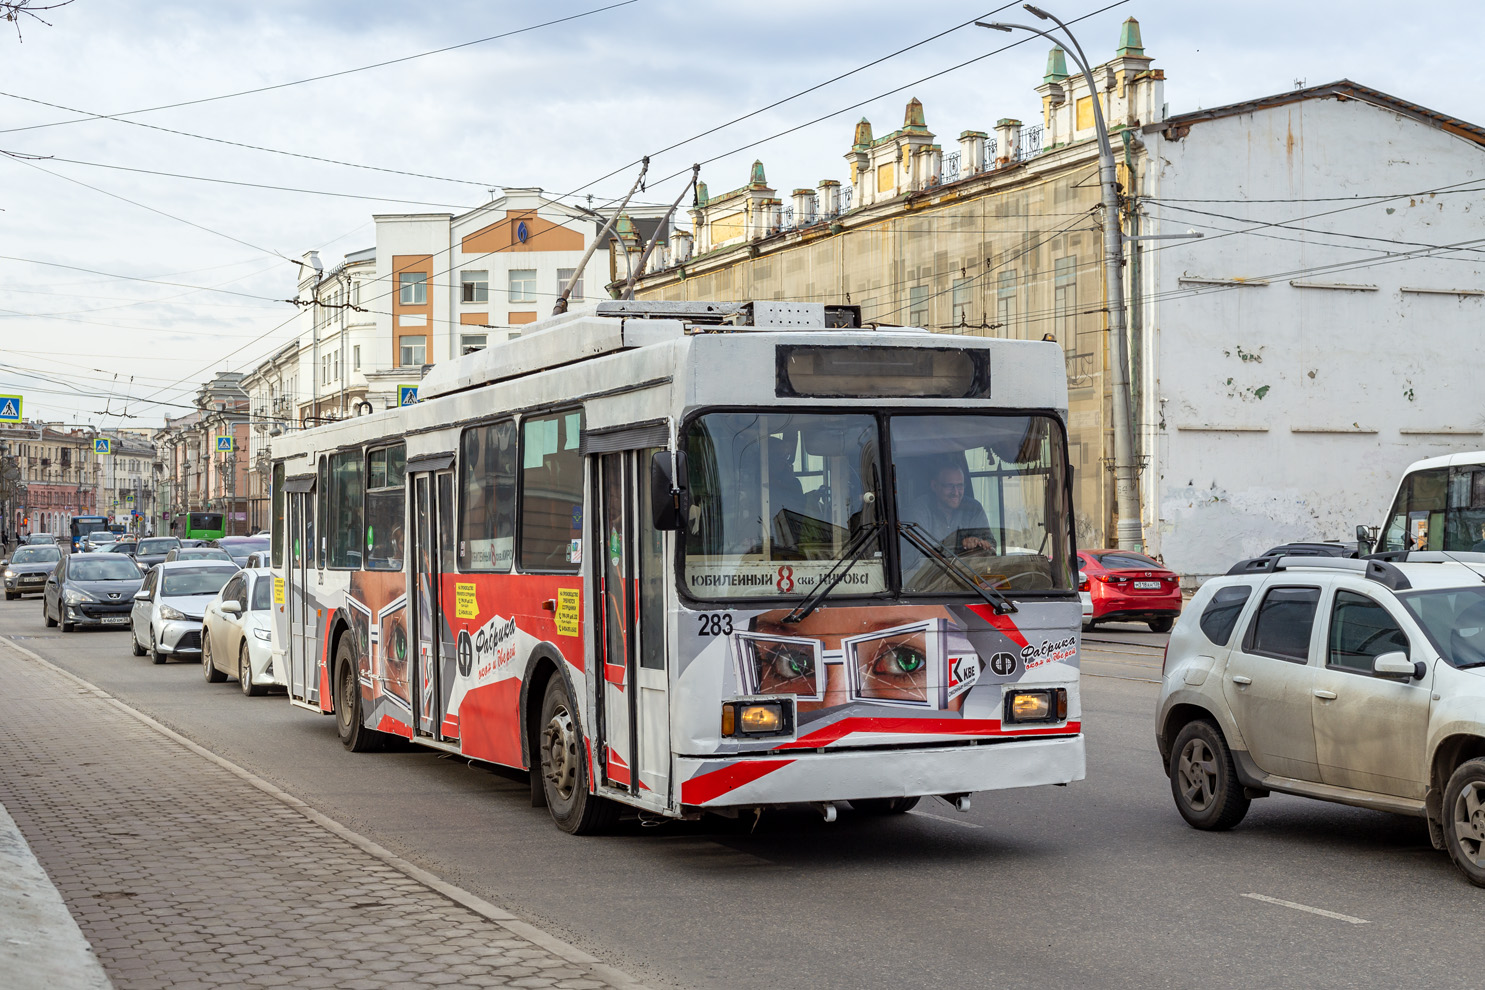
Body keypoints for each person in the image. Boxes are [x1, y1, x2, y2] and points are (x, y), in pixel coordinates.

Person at [905, 464, 996, 555]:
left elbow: (992, 546)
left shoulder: (973, 508)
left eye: (960, 486)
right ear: (934, 486)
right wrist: (960, 545)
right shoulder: (919, 509)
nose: (956, 492)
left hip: (967, 569)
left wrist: (980, 544)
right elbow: (920, 552)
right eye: (949, 486)